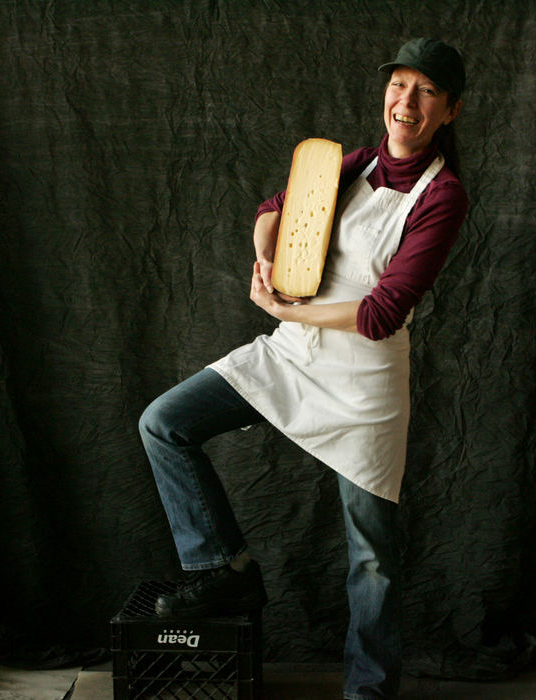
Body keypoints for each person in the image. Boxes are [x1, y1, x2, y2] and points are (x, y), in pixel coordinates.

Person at [139, 37, 468, 700]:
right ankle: (222, 566)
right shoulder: (346, 165)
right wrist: (265, 259)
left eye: (426, 91)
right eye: (399, 84)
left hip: (364, 384)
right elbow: (270, 211)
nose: (406, 102)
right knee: (165, 422)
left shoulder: (442, 198)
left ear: (448, 112)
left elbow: (380, 314)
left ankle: (367, 691)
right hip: (292, 355)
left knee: (370, 556)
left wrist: (287, 310)